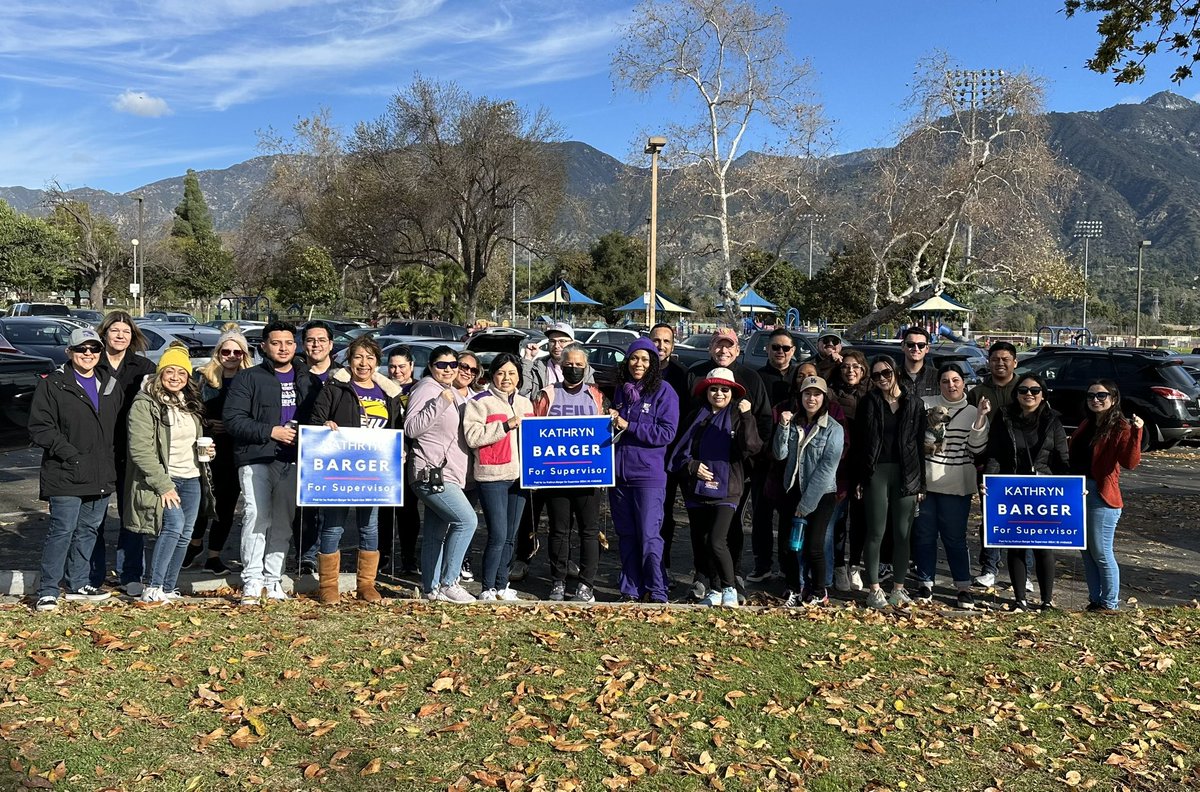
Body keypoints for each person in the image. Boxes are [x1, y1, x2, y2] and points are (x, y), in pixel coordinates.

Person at [30, 328, 123, 611]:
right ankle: (47, 589)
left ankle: (78, 583)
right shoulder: (53, 385)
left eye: (94, 349)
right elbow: (40, 428)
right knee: (62, 530)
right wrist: (70, 455)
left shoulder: (109, 384)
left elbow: (118, 429)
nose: (88, 354)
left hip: (101, 473)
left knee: (88, 531)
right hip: (65, 473)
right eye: (81, 349)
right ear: (69, 352)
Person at [309, 336, 405, 604]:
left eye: (370, 358)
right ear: (349, 360)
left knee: (369, 527)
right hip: (340, 469)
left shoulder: (388, 392)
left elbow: (396, 430)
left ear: (377, 362)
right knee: (333, 527)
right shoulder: (335, 387)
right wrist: (324, 426)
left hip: (374, 471)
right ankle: (329, 586)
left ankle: (367, 585)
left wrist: (401, 451)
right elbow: (315, 421)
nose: (364, 363)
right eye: (358, 357)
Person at [224, 320, 312, 605]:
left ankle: (273, 580)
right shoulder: (248, 378)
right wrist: (270, 431)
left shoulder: (307, 378)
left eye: (288, 342)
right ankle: (252, 581)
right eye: (276, 342)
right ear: (263, 346)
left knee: (283, 524)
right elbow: (233, 420)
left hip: (292, 460)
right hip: (256, 457)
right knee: (257, 517)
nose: (282, 348)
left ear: (295, 346)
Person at [125, 345, 217, 603]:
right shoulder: (145, 403)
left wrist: (207, 452)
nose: (175, 377)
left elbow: (193, 441)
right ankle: (153, 586)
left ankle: (168, 586)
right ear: (160, 373)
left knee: (186, 533)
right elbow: (140, 450)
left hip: (192, 477)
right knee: (173, 527)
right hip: (166, 479)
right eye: (169, 371)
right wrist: (163, 485)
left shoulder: (189, 402)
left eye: (181, 372)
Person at [685, 329, 770, 596]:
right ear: (711, 348)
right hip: (700, 469)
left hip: (736, 472)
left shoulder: (751, 378)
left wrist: (753, 460)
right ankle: (704, 577)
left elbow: (761, 425)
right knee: (701, 529)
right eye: (718, 346)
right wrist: (690, 465)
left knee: (729, 527)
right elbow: (688, 425)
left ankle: (732, 576)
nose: (723, 351)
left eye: (729, 346)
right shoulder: (695, 373)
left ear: (737, 349)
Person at [670, 367, 762, 607]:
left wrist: (748, 417)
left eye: (724, 389)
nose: (719, 393)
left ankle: (730, 588)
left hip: (728, 488)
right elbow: (680, 453)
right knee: (702, 542)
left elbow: (751, 447)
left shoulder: (738, 416)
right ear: (706, 390)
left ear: (732, 392)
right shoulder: (695, 417)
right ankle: (715, 588)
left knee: (717, 540)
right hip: (697, 489)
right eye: (714, 389)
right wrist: (693, 466)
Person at [981, 373, 1070, 611]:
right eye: (1023, 391)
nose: (1028, 395)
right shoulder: (1004, 416)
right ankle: (1019, 598)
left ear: (1043, 394)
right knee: (1016, 544)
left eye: (1034, 391)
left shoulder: (1053, 420)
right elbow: (995, 453)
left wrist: (1071, 488)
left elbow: (1062, 458)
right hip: (1011, 487)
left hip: (1044, 489)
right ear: (1016, 394)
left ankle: (1046, 601)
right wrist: (989, 481)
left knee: (1043, 546)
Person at [532, 343, 609, 603]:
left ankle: (586, 584)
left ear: (586, 367)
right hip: (555, 475)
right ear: (561, 366)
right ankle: (558, 580)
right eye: (569, 365)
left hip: (589, 475)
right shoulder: (547, 395)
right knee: (558, 531)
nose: (573, 369)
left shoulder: (596, 395)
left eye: (579, 365)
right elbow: (535, 433)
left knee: (589, 531)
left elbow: (605, 428)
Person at [914, 365, 991, 610]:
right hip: (925, 481)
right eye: (945, 381)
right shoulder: (924, 404)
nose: (951, 385)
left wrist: (980, 418)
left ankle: (963, 587)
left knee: (955, 538)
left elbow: (977, 448)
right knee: (924, 535)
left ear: (963, 383)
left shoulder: (973, 411)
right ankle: (925, 582)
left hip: (957, 482)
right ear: (939, 384)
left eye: (956, 380)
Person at [405, 346, 477, 603]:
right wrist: (439, 403)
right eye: (441, 365)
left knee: (436, 532)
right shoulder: (427, 389)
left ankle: (430, 589)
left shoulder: (452, 393)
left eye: (453, 365)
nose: (448, 369)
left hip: (448, 473)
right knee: (467, 521)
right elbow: (412, 428)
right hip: (430, 471)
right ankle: (449, 582)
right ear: (431, 366)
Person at [854, 355, 927, 609]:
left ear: (895, 372)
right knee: (875, 531)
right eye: (875, 376)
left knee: (903, 533)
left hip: (907, 472)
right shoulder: (868, 403)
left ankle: (898, 587)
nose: (882, 379)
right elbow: (860, 443)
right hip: (876, 472)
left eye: (886, 373)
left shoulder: (915, 403)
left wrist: (921, 484)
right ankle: (874, 589)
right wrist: (860, 478)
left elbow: (919, 445)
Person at [93, 311, 157, 595]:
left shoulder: (143, 366)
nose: (120, 335)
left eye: (126, 331)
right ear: (104, 333)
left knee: (132, 516)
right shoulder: (91, 363)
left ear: (133, 337)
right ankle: (92, 575)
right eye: (115, 330)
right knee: (93, 516)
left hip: (132, 450)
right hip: (98, 449)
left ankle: (131, 574)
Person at [610, 337, 679, 602]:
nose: (638, 364)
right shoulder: (621, 391)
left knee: (650, 536)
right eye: (634, 358)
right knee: (626, 535)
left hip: (648, 476)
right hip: (619, 475)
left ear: (653, 364)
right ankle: (630, 590)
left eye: (645, 359)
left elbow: (667, 433)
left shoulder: (664, 392)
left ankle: (657, 590)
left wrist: (630, 426)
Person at [463, 353, 533, 602]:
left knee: (512, 535)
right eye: (501, 373)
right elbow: (473, 437)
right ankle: (487, 587)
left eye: (512, 373)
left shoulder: (526, 404)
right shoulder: (479, 402)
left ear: (519, 377)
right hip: (492, 475)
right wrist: (504, 425)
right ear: (492, 375)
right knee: (498, 534)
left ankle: (503, 585)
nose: (506, 378)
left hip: (519, 477)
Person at [184, 325, 252, 575]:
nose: (232, 356)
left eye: (238, 352)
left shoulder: (251, 379)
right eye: (226, 351)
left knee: (226, 505)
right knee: (202, 500)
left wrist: (234, 425)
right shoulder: (203, 378)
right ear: (218, 353)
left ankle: (214, 555)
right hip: (207, 448)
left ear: (245, 355)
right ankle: (194, 544)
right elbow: (191, 411)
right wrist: (207, 423)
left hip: (235, 449)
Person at [1070, 379, 1143, 612]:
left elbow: (1130, 462)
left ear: (1113, 399)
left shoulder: (1121, 426)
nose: (1095, 400)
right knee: (1086, 551)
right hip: (1078, 492)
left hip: (1102, 496)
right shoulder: (1086, 424)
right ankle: (1096, 600)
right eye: (1091, 396)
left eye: (1101, 396)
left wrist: (1137, 432)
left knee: (1101, 552)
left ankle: (1110, 603)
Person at [772, 375, 844, 605]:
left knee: (814, 546)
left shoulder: (834, 429)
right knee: (789, 546)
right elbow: (780, 454)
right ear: (800, 396)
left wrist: (805, 506)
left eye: (816, 394)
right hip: (793, 489)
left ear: (824, 398)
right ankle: (794, 588)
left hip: (821, 494)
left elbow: (827, 469)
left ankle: (818, 590)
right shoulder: (793, 422)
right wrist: (783, 427)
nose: (811, 399)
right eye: (807, 394)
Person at [968, 341, 1019, 588]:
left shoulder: (1025, 388)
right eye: (996, 359)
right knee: (992, 517)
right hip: (988, 463)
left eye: (1005, 359)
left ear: (1014, 362)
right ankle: (989, 568)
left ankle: (1022, 572)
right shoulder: (978, 392)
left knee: (1021, 519)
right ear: (988, 362)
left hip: (1021, 464)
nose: (1000, 363)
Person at [296, 321, 335, 575]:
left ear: (331, 344)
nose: (316, 345)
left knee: (331, 510)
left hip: (335, 451)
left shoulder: (343, 375)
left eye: (321, 340)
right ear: (304, 344)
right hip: (301, 448)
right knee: (305, 510)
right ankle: (306, 556)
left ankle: (329, 555)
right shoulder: (295, 373)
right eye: (311, 340)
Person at [829, 350, 869, 592]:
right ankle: (838, 565)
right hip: (840, 465)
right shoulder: (833, 393)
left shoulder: (872, 393)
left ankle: (855, 564)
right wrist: (829, 359)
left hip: (864, 464)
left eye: (856, 366)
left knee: (861, 519)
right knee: (838, 520)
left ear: (863, 370)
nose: (850, 370)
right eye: (845, 366)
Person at [378, 347, 420, 573]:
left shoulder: (418, 388)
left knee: (408, 510)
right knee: (384, 510)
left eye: (402, 366)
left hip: (410, 454)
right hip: (384, 454)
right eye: (392, 366)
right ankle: (382, 556)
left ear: (411, 366)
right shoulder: (381, 387)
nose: (397, 371)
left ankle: (409, 558)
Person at [521, 322, 592, 397]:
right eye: (552, 341)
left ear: (572, 343)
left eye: (562, 341)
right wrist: (528, 359)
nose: (556, 346)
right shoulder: (536, 368)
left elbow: (591, 398)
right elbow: (523, 392)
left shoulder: (584, 370)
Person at [899, 326, 939, 398]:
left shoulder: (938, 377)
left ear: (927, 349)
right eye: (910, 344)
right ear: (902, 346)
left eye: (921, 345)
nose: (916, 348)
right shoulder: (893, 376)